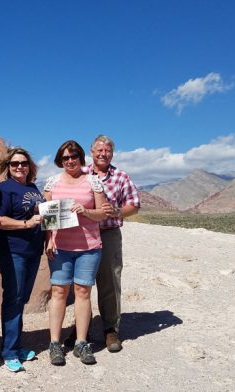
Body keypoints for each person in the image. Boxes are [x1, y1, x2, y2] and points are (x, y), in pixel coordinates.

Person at [43, 140, 108, 366]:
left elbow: (103, 213)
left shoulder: (93, 182)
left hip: (89, 247)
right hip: (60, 247)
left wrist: (87, 211)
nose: (69, 161)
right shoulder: (52, 182)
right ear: (60, 161)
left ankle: (81, 342)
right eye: (65, 158)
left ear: (81, 157)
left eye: (73, 156)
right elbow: (47, 217)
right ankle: (54, 343)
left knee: (82, 292)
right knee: (59, 292)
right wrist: (49, 240)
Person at [0, 147, 45, 372]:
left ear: (29, 166)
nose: (19, 167)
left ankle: (16, 345)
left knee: (21, 299)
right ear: (8, 167)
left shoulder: (33, 188)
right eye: (14, 164)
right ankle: (10, 352)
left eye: (23, 163)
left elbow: (41, 215)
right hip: (13, 251)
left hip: (33, 251)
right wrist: (26, 224)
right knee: (13, 299)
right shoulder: (4, 190)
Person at [88, 135, 140, 353]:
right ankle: (81, 329)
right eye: (99, 150)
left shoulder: (120, 176)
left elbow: (134, 204)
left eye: (107, 150)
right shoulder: (81, 173)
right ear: (91, 152)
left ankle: (110, 329)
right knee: (80, 284)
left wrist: (118, 211)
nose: (103, 153)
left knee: (110, 281)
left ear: (112, 153)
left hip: (109, 234)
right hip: (83, 234)